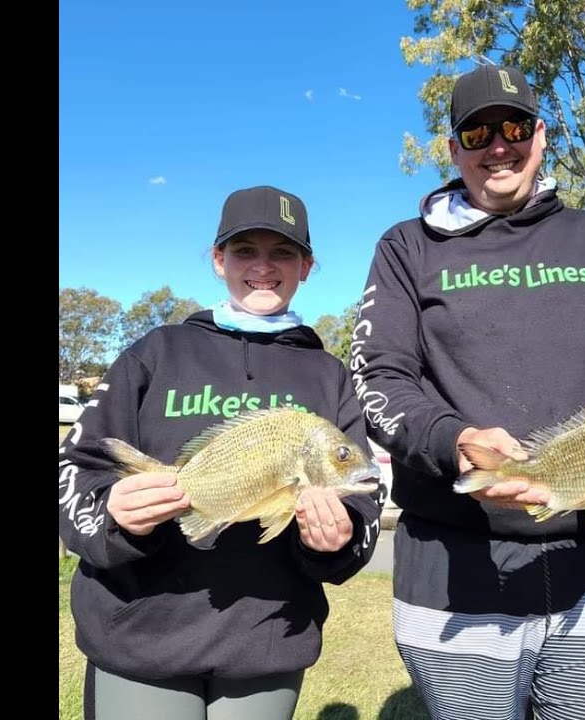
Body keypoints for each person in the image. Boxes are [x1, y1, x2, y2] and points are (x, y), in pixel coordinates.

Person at [351, 65, 585, 720]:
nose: (496, 146)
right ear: (453, 149)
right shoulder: (405, 249)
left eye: (512, 127)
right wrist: (456, 440)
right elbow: (378, 376)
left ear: (540, 136)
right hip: (453, 570)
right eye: (477, 132)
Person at [58, 185, 384, 720]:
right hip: (140, 638)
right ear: (218, 260)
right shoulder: (155, 352)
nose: (263, 267)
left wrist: (337, 539)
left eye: (282, 252)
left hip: (267, 641)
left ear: (306, 265)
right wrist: (113, 515)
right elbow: (76, 468)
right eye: (244, 251)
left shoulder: (330, 375)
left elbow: (364, 493)